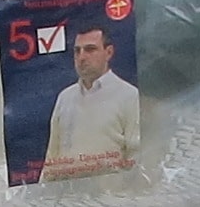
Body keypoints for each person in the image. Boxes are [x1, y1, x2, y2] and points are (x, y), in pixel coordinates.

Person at [39, 24, 139, 178]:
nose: (82, 57)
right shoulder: (65, 97)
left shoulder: (129, 96)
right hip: (67, 196)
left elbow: (136, 156)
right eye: (77, 51)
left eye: (90, 49)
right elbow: (52, 157)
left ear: (109, 52)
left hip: (109, 196)